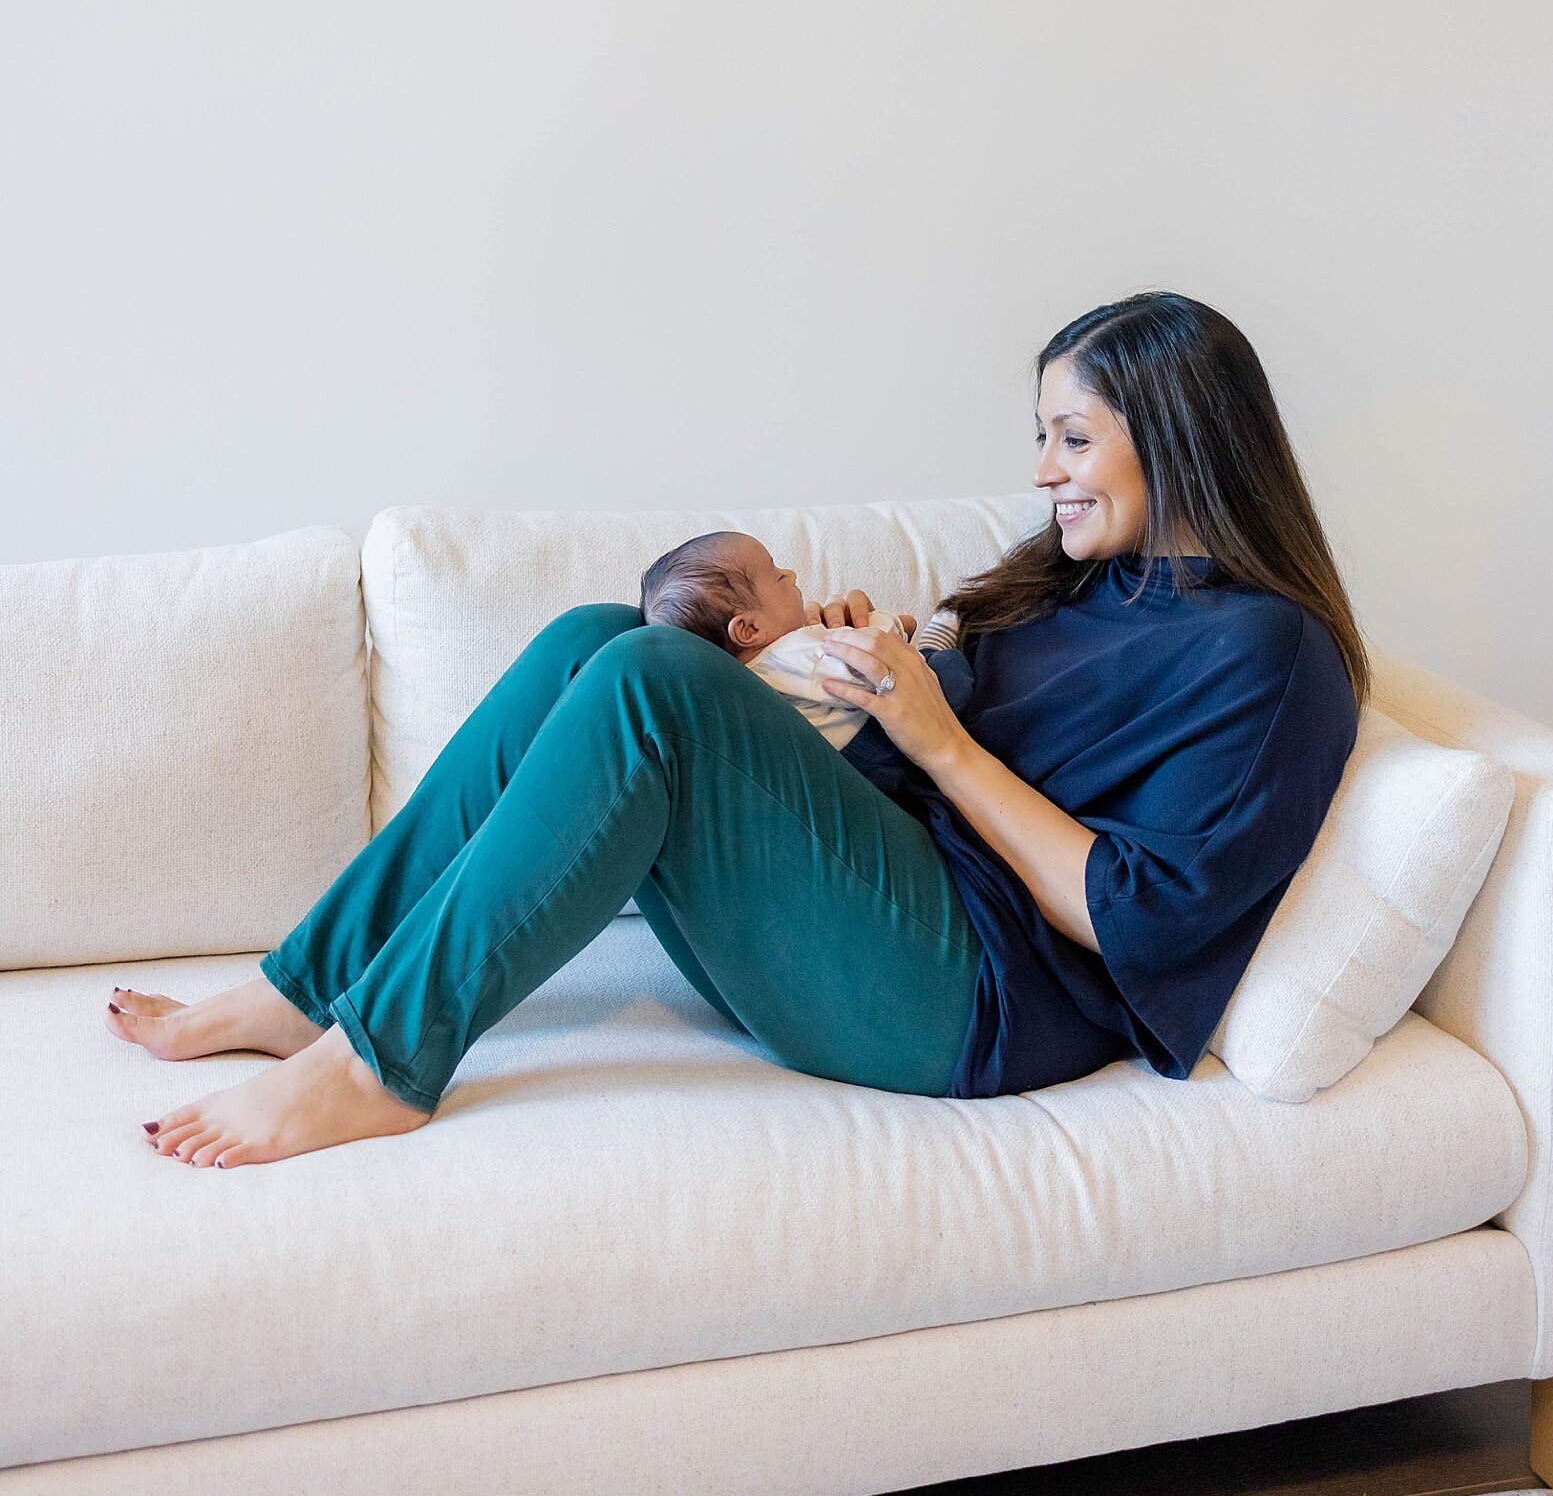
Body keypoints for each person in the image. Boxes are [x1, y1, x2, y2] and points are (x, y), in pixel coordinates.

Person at [110, 290, 1366, 1168]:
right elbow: (982, 714)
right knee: (595, 640)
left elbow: (1133, 916)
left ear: (1183, 442)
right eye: (1041, 435)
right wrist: (885, 667)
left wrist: (938, 742)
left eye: (1073, 437)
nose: (1043, 469)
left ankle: (378, 1065)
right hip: (880, 891)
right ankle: (310, 987)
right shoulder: (1087, 575)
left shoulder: (1268, 657)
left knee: (655, 675)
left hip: (968, 997)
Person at [637, 530, 975, 749]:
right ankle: (934, 644)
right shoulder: (793, 655)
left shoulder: (751, 681)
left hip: (862, 747)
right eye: (775, 574)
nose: (791, 575)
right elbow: (873, 669)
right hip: (873, 749)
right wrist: (884, 624)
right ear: (749, 630)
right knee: (946, 673)